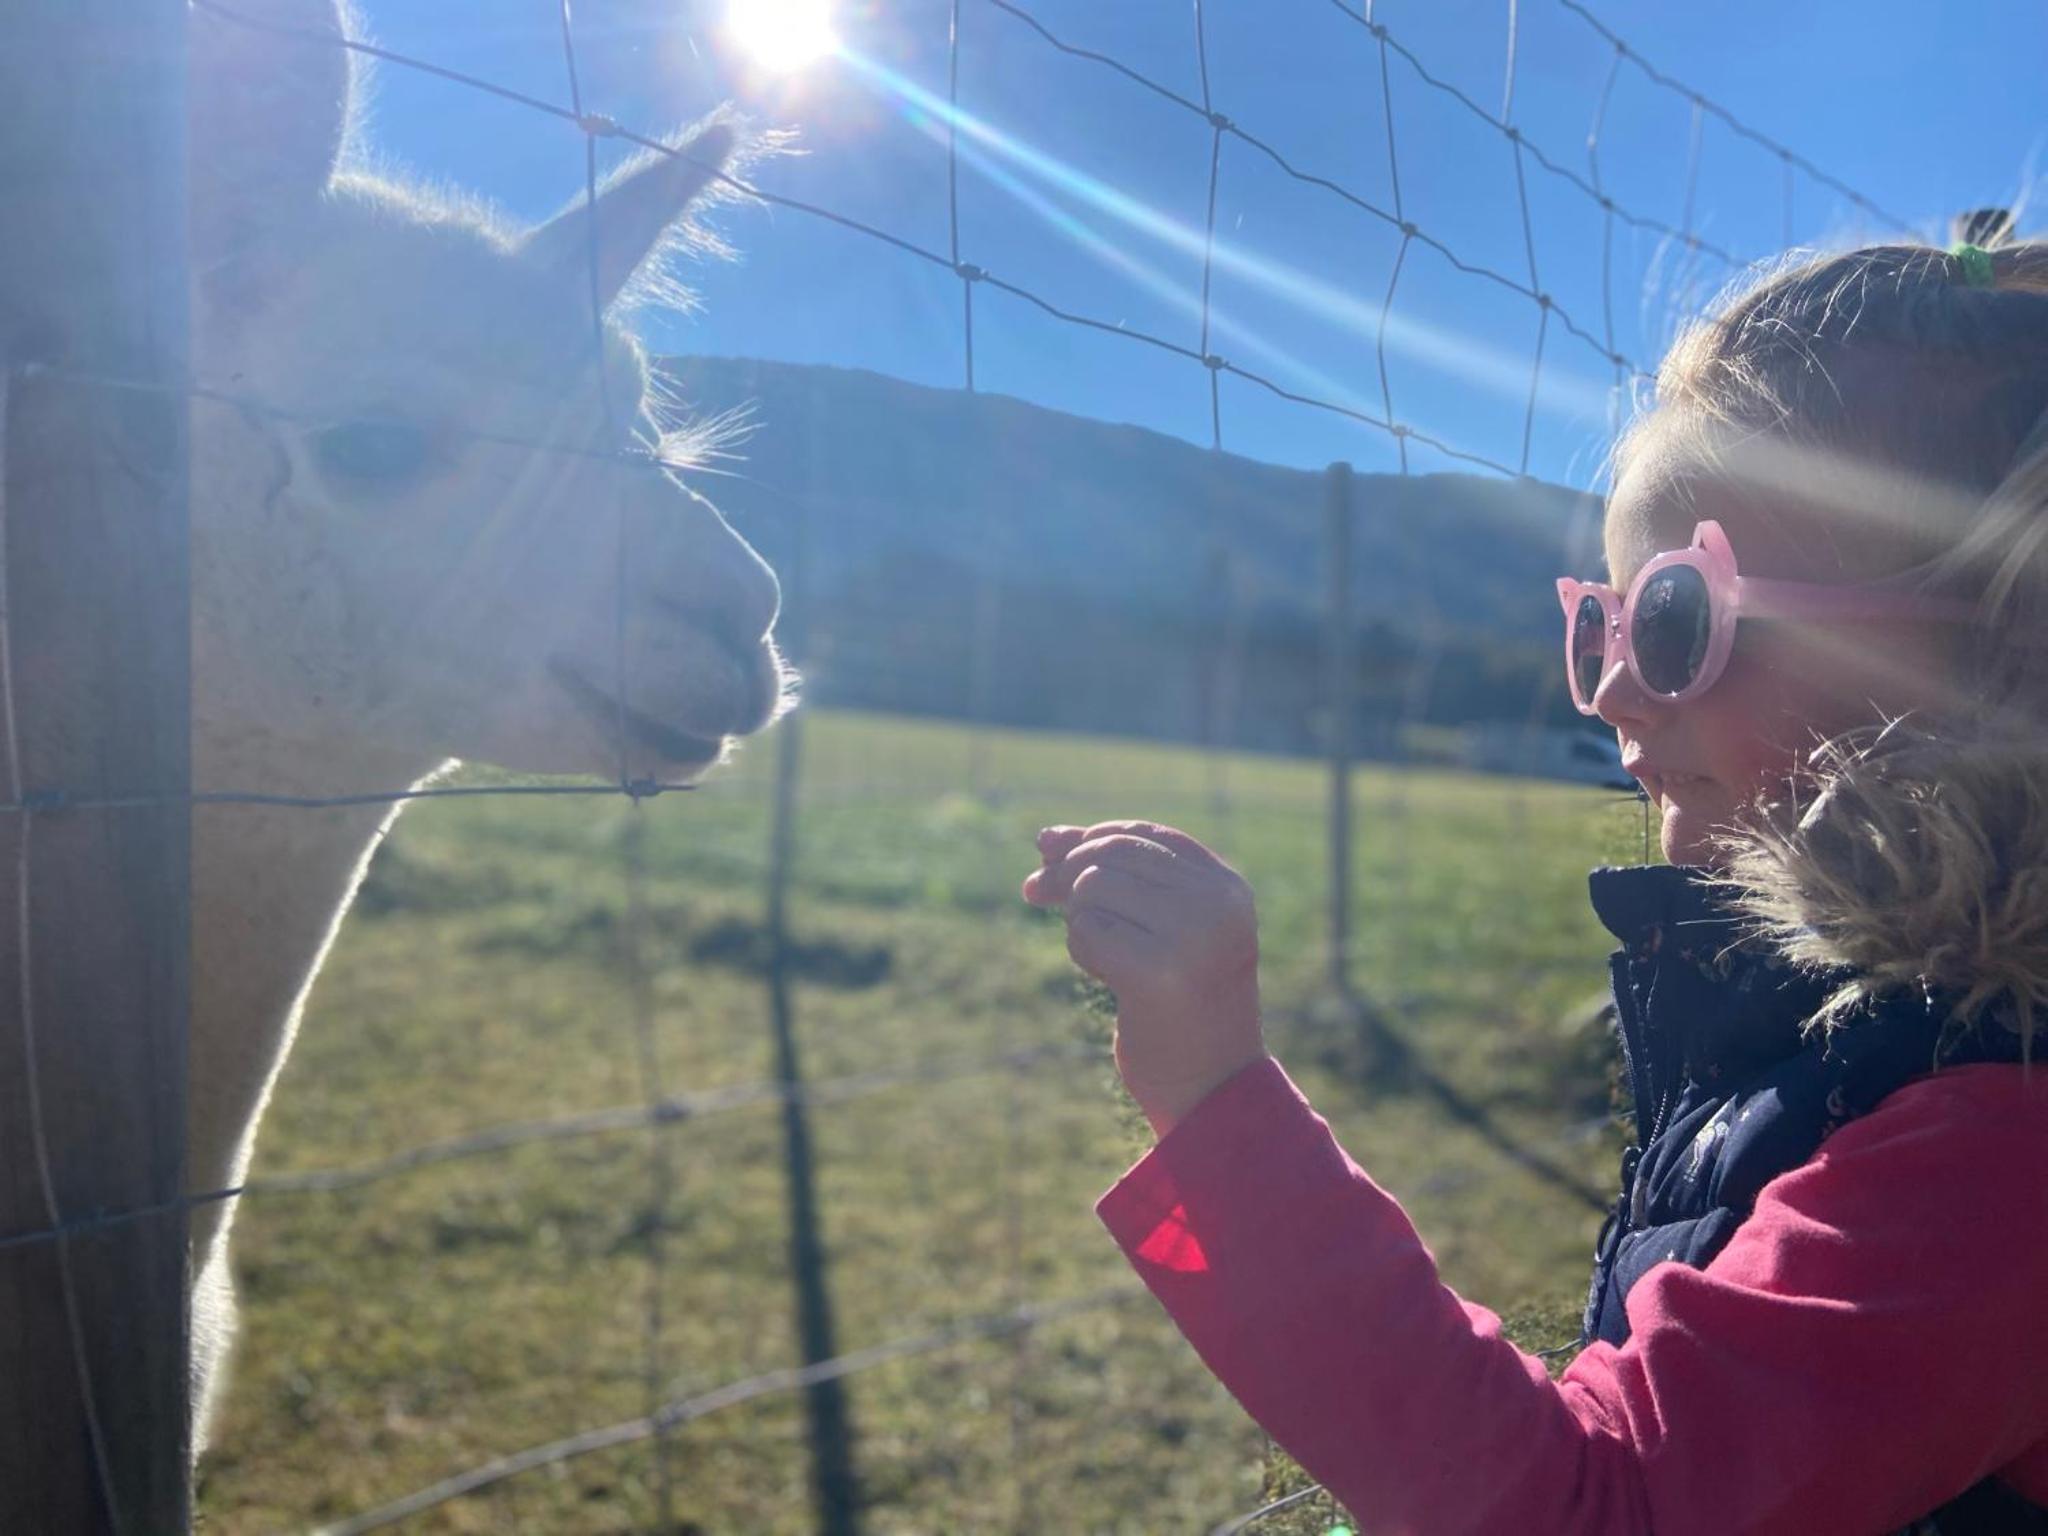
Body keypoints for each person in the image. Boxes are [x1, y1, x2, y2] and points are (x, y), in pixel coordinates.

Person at [1022, 241, 2048, 1534]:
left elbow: (1587, 1505)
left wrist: (1216, 1099)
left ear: (1999, 641)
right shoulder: (1854, 1036)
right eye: (1599, 626)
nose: (1612, 690)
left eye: (1675, 622)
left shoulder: (1995, 1157)